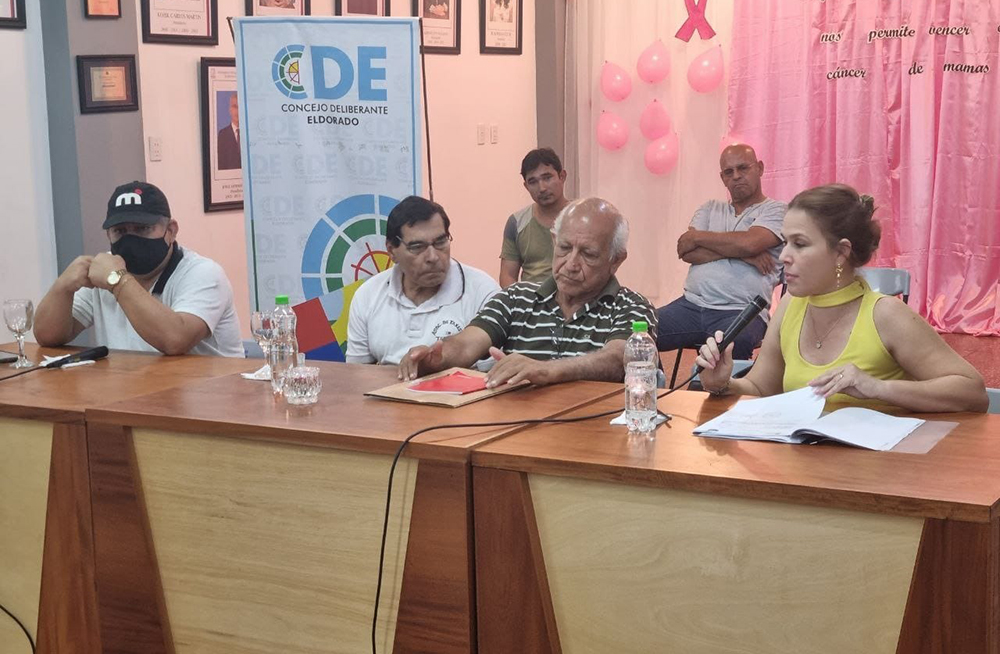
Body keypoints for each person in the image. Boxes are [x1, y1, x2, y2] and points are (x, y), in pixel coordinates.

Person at [696, 184, 988, 413]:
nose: (784, 256)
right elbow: (761, 388)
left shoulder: (886, 314)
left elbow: (973, 393)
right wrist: (723, 384)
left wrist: (878, 388)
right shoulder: (789, 306)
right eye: (785, 242)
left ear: (841, 252)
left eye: (799, 244)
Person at [398, 198, 657, 387]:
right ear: (554, 241)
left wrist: (546, 371)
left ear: (616, 260)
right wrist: (438, 359)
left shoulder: (631, 306)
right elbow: (468, 343)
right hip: (516, 429)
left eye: (588, 254)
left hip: (593, 433)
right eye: (564, 248)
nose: (571, 264)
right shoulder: (517, 297)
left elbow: (618, 359)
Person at [34, 181, 244, 358]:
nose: (130, 239)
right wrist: (62, 287)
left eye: (143, 229)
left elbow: (175, 340)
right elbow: (47, 336)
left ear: (171, 231)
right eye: (120, 231)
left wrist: (118, 281)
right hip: (134, 389)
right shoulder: (105, 270)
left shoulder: (203, 273)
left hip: (209, 392)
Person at [655, 144, 786, 360]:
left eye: (743, 168)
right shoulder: (710, 208)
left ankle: (714, 383)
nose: (736, 176)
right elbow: (687, 251)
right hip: (691, 305)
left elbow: (751, 243)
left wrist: (698, 237)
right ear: (722, 178)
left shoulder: (777, 210)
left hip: (742, 310)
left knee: (732, 344)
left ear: (760, 168)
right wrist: (744, 255)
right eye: (728, 172)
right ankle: (654, 380)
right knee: (636, 334)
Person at [346, 196, 500, 365]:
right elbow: (356, 372)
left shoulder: (482, 291)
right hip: (383, 381)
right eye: (417, 247)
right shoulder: (368, 295)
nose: (433, 257)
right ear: (391, 251)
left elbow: (490, 373)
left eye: (440, 242)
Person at [499, 148, 570, 288]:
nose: (542, 188)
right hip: (530, 298)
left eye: (547, 178)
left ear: (562, 176)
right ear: (526, 186)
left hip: (576, 296)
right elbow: (508, 275)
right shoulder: (516, 222)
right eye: (533, 182)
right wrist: (516, 299)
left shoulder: (584, 218)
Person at [217, 93, 241, 171]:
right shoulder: (222, 135)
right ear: (230, 110)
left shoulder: (251, 133)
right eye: (235, 107)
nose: (238, 111)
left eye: (240, 107)